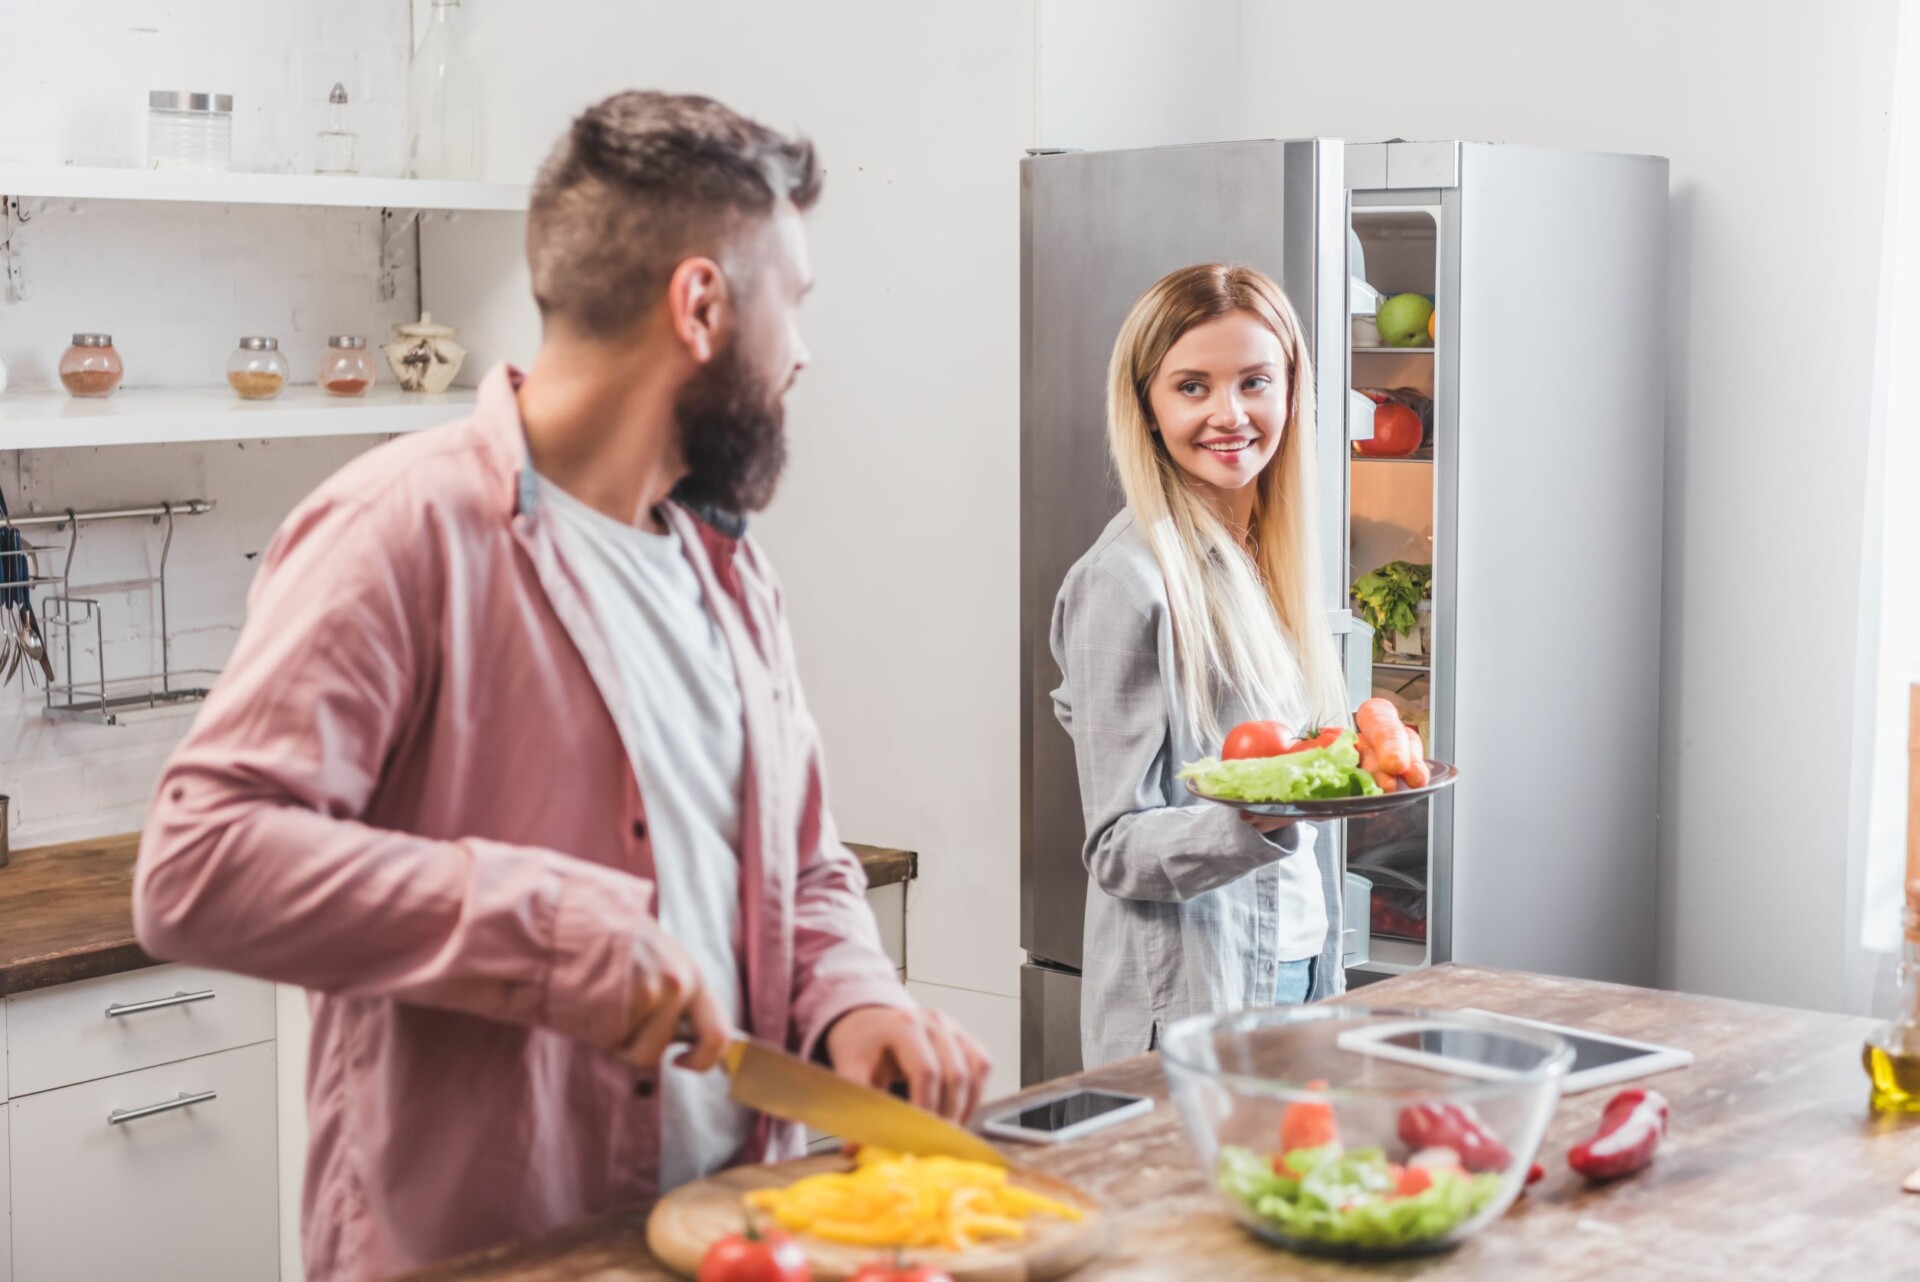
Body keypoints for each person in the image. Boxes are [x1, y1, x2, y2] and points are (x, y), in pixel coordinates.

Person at [133, 91, 990, 1282]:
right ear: (700, 305)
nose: (802, 350)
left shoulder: (727, 569)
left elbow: (803, 866)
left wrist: (852, 998)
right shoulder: (400, 529)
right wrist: (550, 930)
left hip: (733, 1239)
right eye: (791, 302)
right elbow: (197, 863)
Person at [1050, 263, 1351, 1070]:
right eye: (1192, 387)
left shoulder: (1274, 557)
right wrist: (1259, 817)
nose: (1231, 414)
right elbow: (1116, 846)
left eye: (1256, 381)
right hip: (1189, 1005)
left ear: (1291, 389)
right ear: (1147, 407)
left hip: (1302, 971)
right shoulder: (1125, 580)